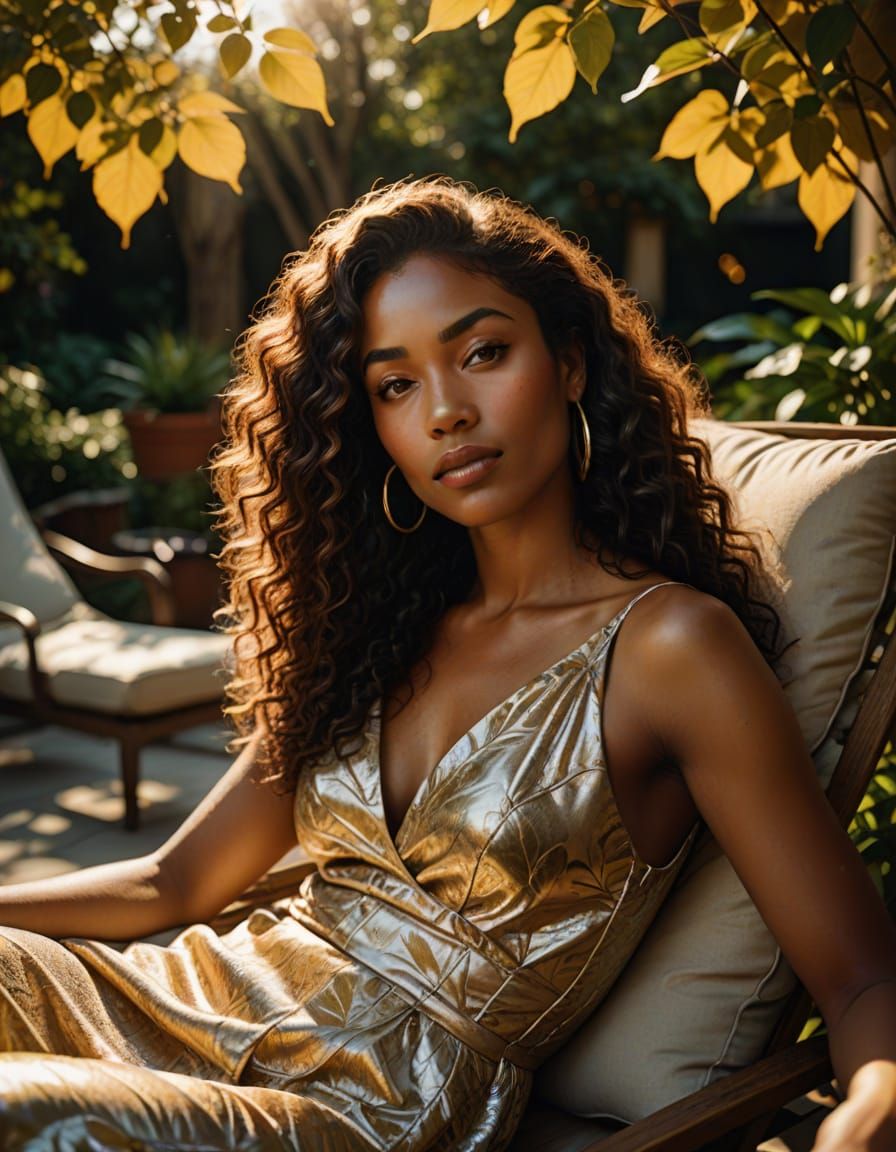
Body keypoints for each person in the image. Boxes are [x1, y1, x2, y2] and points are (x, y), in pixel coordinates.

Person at [1, 177, 894, 1152]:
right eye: (395, 383)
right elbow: (172, 886)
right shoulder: (379, 627)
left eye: (481, 353)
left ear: (566, 360)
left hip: (367, 1108)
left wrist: (868, 1112)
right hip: (184, 1002)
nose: (444, 412)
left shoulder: (668, 648)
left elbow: (857, 976)